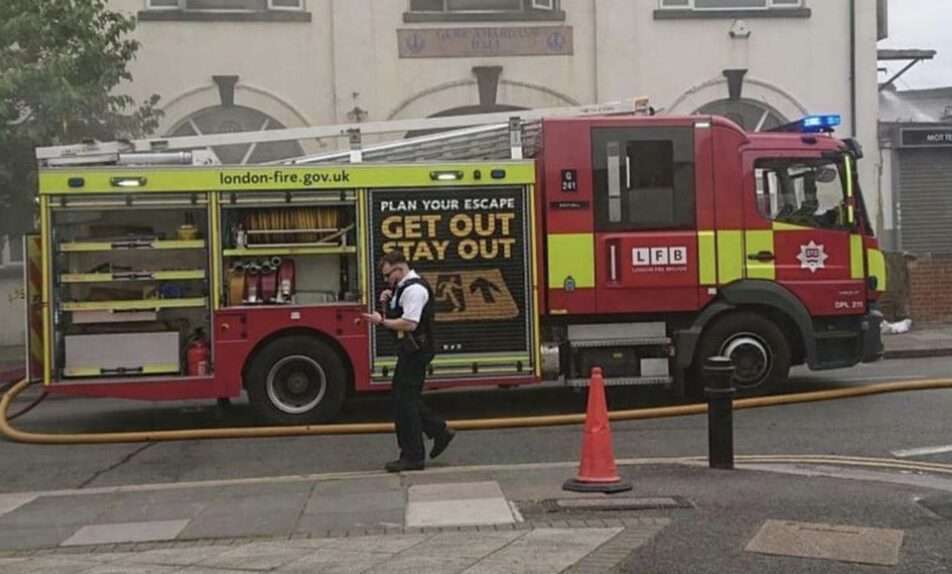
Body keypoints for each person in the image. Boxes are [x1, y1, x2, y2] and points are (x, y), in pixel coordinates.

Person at [362, 251, 455, 472]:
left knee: (405, 403)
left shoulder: (414, 290)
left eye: (388, 275)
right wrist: (388, 301)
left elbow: (409, 323)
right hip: (410, 350)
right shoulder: (403, 287)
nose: (386, 280)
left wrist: (381, 321)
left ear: (400, 268)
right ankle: (439, 431)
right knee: (403, 398)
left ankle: (413, 456)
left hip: (416, 351)